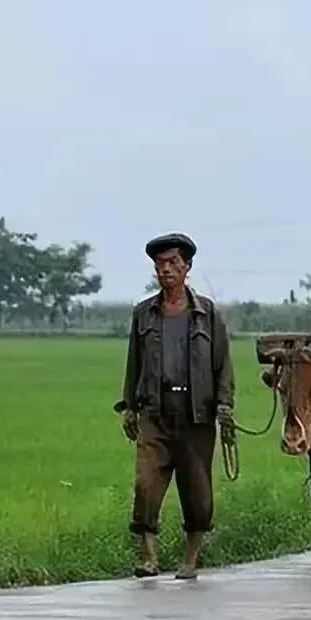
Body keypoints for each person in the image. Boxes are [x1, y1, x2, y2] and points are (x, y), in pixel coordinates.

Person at [115, 233, 236, 580]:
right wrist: (130, 406)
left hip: (196, 413)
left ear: (187, 267)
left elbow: (223, 364)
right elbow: (134, 363)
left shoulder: (207, 314)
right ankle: (149, 559)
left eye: (172, 263)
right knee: (146, 484)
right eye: (160, 264)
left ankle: (191, 560)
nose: (165, 269)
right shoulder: (144, 314)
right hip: (155, 411)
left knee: (197, 488)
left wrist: (225, 406)